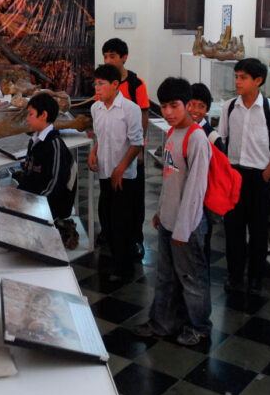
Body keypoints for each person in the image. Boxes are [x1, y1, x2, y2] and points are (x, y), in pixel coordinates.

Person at [133, 77, 212, 346]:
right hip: (169, 221)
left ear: (188, 105)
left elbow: (195, 189)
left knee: (191, 280)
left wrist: (183, 227)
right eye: (164, 106)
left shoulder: (197, 138)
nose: (167, 112)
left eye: (174, 106)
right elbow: (170, 178)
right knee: (166, 277)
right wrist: (161, 211)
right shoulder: (172, 133)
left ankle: (200, 327)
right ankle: (163, 323)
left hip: (187, 226)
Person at [219, 58, 270, 295]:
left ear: (258, 81)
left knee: (259, 231)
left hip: (259, 177)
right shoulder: (229, 107)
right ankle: (235, 275)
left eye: (243, 77)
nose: (237, 82)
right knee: (233, 229)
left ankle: (256, 277)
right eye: (236, 76)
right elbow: (223, 140)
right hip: (234, 176)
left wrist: (267, 173)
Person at [89, 64, 144, 280]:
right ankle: (115, 259)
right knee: (107, 219)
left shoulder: (130, 109)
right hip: (105, 172)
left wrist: (121, 168)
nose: (97, 88)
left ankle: (125, 268)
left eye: (101, 84)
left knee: (122, 221)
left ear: (115, 84)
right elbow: (101, 137)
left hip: (124, 176)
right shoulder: (96, 108)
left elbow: (136, 143)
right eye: (95, 84)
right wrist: (94, 151)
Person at [102, 38, 149, 261]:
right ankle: (110, 233)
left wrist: (139, 149)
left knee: (134, 198)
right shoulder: (104, 83)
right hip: (110, 150)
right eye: (105, 56)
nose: (108, 60)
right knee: (109, 194)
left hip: (132, 150)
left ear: (124, 57)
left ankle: (135, 239)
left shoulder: (136, 84)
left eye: (112, 56)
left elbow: (144, 115)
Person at [17, 93, 79, 248]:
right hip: (34, 199)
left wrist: (35, 206)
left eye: (30, 114)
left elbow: (56, 183)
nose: (27, 119)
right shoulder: (34, 142)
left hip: (50, 205)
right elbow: (29, 173)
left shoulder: (55, 145)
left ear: (43, 115)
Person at [187, 82, 225, 265]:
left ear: (207, 109)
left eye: (201, 106)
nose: (195, 110)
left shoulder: (213, 138)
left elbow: (221, 172)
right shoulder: (180, 131)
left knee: (201, 246)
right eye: (192, 104)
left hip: (203, 201)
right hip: (182, 197)